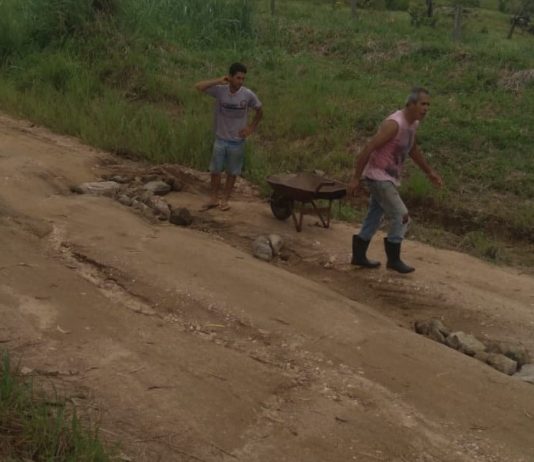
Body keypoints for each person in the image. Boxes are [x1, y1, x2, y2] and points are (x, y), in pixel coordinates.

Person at [347, 87, 443, 273]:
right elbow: (368, 148)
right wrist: (355, 178)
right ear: (410, 104)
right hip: (378, 177)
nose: (426, 108)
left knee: (375, 215)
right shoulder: (394, 124)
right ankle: (394, 260)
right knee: (402, 216)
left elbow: (412, 149)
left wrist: (429, 172)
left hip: (387, 177)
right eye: (422, 104)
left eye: (428, 105)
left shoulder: (412, 124)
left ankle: (359, 256)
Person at [195, 63, 263, 211]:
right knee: (215, 170)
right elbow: (199, 87)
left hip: (237, 141)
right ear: (230, 77)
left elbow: (259, 110)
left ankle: (225, 200)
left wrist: (251, 128)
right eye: (238, 78)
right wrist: (218, 80)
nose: (241, 81)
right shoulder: (220, 91)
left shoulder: (247, 94)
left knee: (232, 172)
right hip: (220, 138)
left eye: (243, 78)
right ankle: (213, 199)